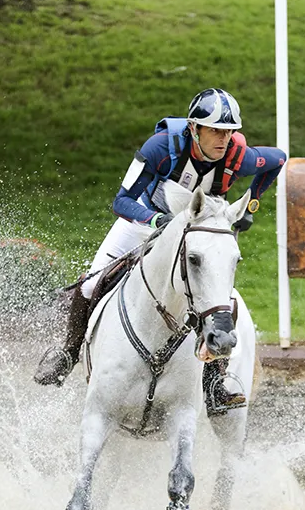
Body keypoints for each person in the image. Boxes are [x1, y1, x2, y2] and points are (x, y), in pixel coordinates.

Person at [35, 88, 286, 414]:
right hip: (144, 219)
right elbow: (121, 201)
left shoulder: (239, 156)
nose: (222, 140)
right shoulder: (160, 149)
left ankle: (214, 384)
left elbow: (278, 159)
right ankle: (68, 354)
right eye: (214, 131)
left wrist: (250, 205)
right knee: (88, 284)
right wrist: (157, 220)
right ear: (194, 129)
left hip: (195, 233)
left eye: (228, 132)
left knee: (217, 299)